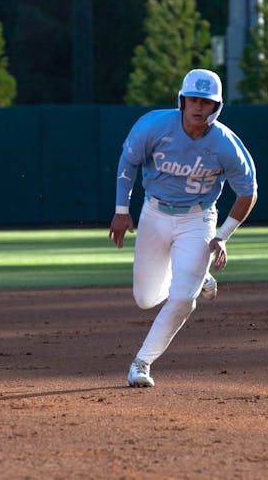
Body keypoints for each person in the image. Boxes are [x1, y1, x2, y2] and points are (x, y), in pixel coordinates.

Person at [109, 68, 258, 388]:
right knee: (145, 299)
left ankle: (142, 362)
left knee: (182, 299)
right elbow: (128, 161)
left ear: (216, 107)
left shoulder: (225, 144)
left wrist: (223, 235)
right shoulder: (154, 126)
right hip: (154, 213)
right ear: (182, 100)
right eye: (193, 99)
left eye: (206, 101)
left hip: (198, 219)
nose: (198, 107)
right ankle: (194, 274)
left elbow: (248, 191)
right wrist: (122, 210)